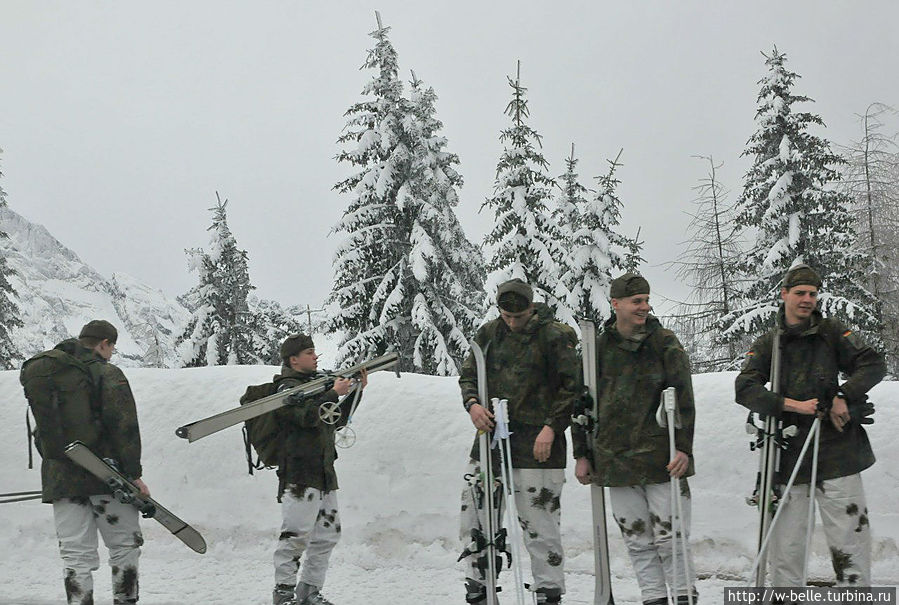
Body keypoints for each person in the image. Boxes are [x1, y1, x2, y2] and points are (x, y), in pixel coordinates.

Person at [735, 264, 886, 587]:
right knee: (787, 545)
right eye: (800, 293)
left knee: (850, 539)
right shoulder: (768, 343)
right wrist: (791, 405)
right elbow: (744, 389)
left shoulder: (832, 333)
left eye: (813, 294)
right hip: (787, 454)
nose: (807, 300)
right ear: (784, 294)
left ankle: (855, 595)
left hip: (838, 451)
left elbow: (872, 364)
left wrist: (844, 396)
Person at [573, 273, 698, 605]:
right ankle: (653, 598)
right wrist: (581, 454)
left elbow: (683, 398)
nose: (644, 307)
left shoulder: (664, 343)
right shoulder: (595, 348)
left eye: (646, 300)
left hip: (662, 457)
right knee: (637, 541)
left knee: (671, 539)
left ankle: (684, 596)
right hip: (615, 459)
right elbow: (580, 401)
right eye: (636, 301)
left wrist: (684, 448)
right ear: (616, 304)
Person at [458, 278, 581, 605]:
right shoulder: (487, 335)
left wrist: (552, 427)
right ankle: (479, 588)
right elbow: (468, 375)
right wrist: (473, 405)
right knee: (475, 518)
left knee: (541, 528)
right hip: (489, 444)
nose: (512, 322)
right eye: (506, 316)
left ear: (531, 307)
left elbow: (573, 387)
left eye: (519, 316)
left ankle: (548, 594)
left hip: (539, 447)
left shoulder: (555, 337)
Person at [21, 319, 147, 605]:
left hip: (61, 477)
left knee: (75, 555)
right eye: (111, 347)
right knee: (124, 547)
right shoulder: (107, 373)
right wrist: (134, 475)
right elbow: (124, 426)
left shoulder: (49, 376)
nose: (111, 353)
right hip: (107, 475)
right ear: (105, 344)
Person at [270, 333, 367, 605]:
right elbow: (306, 416)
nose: (316, 356)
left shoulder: (316, 386)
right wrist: (332, 393)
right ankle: (284, 593)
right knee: (295, 535)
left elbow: (333, 419)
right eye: (309, 352)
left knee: (327, 535)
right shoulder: (285, 390)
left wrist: (353, 393)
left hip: (324, 473)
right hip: (299, 475)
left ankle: (309, 591)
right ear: (294, 359)